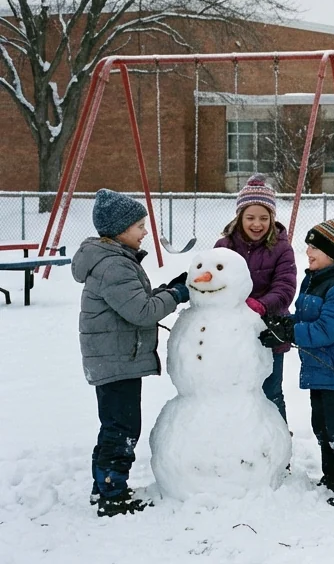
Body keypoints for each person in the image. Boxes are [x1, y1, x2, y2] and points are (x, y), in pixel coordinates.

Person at [71, 189, 190, 516]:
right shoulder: (114, 266)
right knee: (122, 428)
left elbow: (135, 300)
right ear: (120, 229)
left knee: (113, 425)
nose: (145, 231)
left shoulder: (112, 260)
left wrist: (168, 288)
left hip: (113, 358)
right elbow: (140, 311)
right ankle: (113, 494)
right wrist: (178, 295)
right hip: (116, 360)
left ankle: (104, 486)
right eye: (139, 225)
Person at [261, 218, 334, 506]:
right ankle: (333, 478)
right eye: (308, 245)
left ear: (332, 253)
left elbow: (327, 330)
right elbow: (309, 320)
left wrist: (289, 331)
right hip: (323, 371)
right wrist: (285, 323)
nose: (308, 252)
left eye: (315, 248)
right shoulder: (318, 281)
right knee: (323, 428)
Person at [214, 174, 297, 420]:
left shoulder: (282, 248)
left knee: (270, 392)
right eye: (250, 217)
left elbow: (285, 287)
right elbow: (215, 280)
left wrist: (261, 305)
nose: (257, 224)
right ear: (240, 217)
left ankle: (278, 446)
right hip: (233, 332)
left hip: (270, 330)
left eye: (263, 217)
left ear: (272, 219)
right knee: (235, 390)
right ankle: (240, 440)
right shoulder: (224, 246)